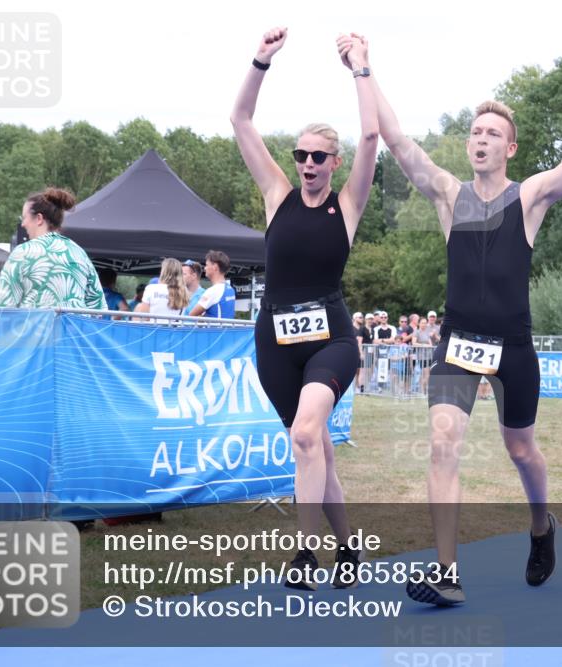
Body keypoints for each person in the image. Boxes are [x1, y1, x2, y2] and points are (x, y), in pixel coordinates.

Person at [364, 35, 562, 605]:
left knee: (521, 450)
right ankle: (447, 574)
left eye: (492, 133)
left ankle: (542, 526)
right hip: (458, 342)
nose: (480, 140)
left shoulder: (531, 197)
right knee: (443, 443)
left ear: (511, 148)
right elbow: (395, 140)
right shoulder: (448, 194)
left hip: (513, 345)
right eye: (474, 132)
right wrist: (363, 69)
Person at [230, 27, 378, 588]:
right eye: (301, 155)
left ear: (334, 162)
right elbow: (241, 121)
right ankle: (348, 550)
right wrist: (260, 60)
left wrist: (360, 67)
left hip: (331, 340)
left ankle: (304, 554)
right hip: (275, 344)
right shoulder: (276, 195)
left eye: (318, 156)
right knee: (315, 449)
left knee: (305, 434)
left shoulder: (348, 205)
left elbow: (371, 136)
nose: (308, 163)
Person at [0, 187, 105, 310]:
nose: (23, 224)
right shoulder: (79, 253)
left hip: (36, 329)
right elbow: (98, 307)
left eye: (24, 218)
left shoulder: (22, 253)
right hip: (73, 329)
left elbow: (1, 304)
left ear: (39, 218)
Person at [189, 250, 236, 318]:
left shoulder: (213, 291)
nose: (205, 268)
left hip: (215, 328)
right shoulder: (230, 289)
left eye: (207, 265)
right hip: (225, 328)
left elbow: (191, 315)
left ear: (215, 267)